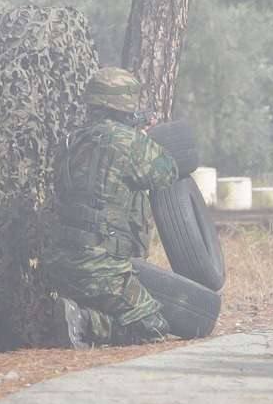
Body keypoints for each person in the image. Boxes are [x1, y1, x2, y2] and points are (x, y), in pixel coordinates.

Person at [44, 66, 182, 345]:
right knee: (153, 327)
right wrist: (142, 138)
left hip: (59, 266)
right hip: (103, 270)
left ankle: (76, 312)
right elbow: (166, 172)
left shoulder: (69, 142)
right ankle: (87, 320)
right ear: (124, 106)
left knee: (106, 295)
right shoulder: (128, 141)